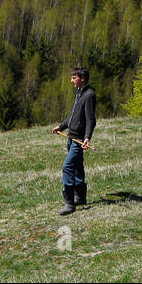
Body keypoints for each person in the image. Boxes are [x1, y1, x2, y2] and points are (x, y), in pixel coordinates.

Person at [53, 67, 96, 215]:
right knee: (77, 166)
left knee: (68, 166)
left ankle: (69, 203)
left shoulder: (89, 95)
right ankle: (81, 197)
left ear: (82, 79)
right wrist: (62, 126)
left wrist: (87, 138)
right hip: (71, 138)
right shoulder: (79, 93)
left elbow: (91, 120)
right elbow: (73, 115)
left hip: (78, 139)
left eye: (74, 77)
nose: (71, 80)